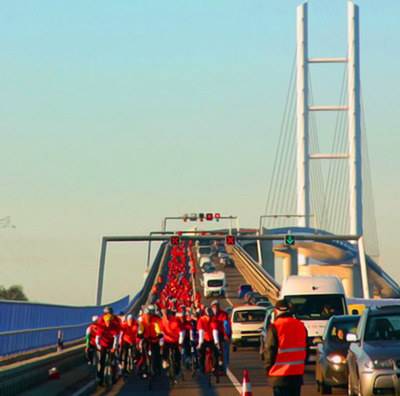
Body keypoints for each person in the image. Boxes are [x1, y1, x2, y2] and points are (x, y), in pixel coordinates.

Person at [264, 299, 308, 396]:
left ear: (275, 311)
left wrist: (268, 368)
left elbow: (270, 350)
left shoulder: (275, 327)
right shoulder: (301, 326)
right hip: (296, 375)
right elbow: (306, 350)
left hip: (279, 375)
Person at [95, 313, 121, 386]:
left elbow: (116, 338)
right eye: (107, 322)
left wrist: (114, 348)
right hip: (103, 345)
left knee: (112, 360)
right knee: (102, 361)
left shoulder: (114, 327)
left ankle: (113, 376)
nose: (108, 323)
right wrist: (99, 347)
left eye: (109, 322)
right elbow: (97, 339)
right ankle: (100, 377)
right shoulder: (102, 327)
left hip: (111, 345)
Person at [138, 305, 163, 376]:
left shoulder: (155, 320)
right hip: (146, 339)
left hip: (154, 339)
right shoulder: (142, 321)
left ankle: (157, 368)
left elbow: (157, 328)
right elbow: (141, 329)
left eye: (148, 315)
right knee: (143, 353)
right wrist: (140, 334)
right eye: (146, 315)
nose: (147, 317)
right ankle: (144, 368)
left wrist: (158, 334)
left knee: (156, 354)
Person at [161, 309, 185, 379]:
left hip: (175, 341)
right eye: (166, 315)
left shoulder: (176, 321)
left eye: (168, 315)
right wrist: (161, 342)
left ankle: (177, 372)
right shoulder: (163, 321)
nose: (167, 317)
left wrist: (180, 342)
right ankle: (166, 361)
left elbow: (181, 332)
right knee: (165, 351)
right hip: (167, 340)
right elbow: (162, 332)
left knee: (177, 357)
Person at [197, 306, 220, 375]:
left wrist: (217, 343)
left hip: (212, 339)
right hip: (204, 339)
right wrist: (200, 343)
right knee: (201, 352)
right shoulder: (201, 320)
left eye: (210, 316)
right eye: (207, 316)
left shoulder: (214, 320)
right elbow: (201, 332)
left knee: (215, 352)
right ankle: (202, 367)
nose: (209, 318)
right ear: (205, 315)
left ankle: (214, 368)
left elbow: (215, 332)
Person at [211, 300, 231, 374]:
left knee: (222, 346)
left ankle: (222, 363)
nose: (215, 309)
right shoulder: (209, 314)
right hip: (210, 334)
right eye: (214, 307)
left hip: (220, 334)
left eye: (217, 307)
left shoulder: (223, 314)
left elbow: (226, 324)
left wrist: (228, 333)